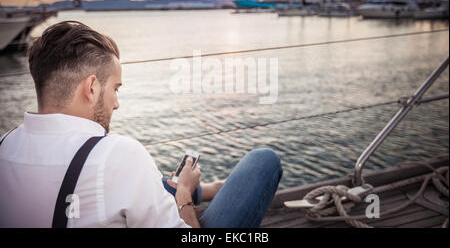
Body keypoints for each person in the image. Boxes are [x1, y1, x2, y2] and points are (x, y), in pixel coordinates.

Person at [0, 21, 282, 228]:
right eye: (116, 89)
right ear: (92, 88)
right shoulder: (116, 155)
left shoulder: (6, 145)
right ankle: (190, 188)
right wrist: (183, 196)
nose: (117, 104)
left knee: (146, 186)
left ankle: (199, 188)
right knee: (263, 161)